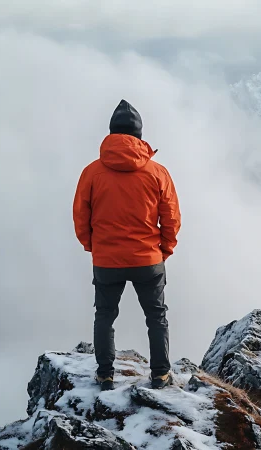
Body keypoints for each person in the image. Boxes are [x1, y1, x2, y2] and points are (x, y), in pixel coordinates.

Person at [73, 100, 181, 391]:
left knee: (104, 316)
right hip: (148, 258)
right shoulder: (157, 173)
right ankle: (160, 374)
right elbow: (171, 216)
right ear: (139, 136)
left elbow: (81, 216)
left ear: (111, 134)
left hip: (107, 259)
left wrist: (94, 247)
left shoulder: (91, 172)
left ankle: (106, 374)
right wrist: (164, 249)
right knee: (156, 316)